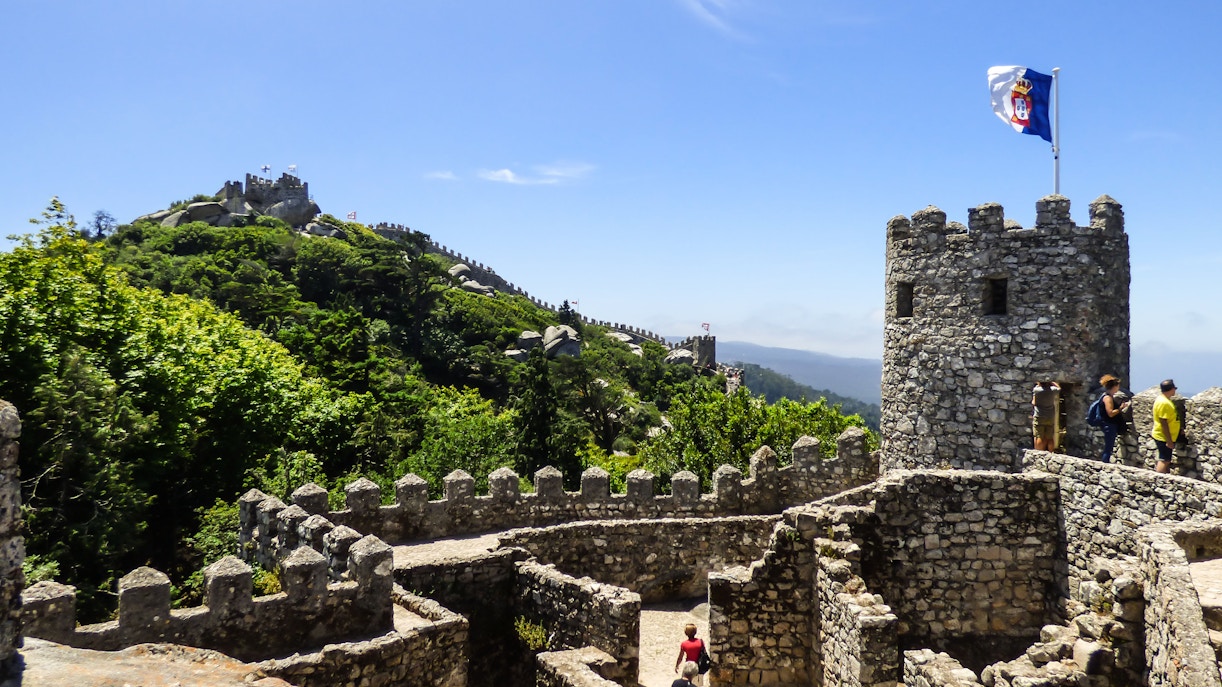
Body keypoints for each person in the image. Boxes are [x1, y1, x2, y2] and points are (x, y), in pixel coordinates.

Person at [1098, 374, 1131, 463]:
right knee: (1108, 448)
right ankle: (1105, 464)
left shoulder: (1106, 396)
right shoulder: (1108, 398)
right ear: (1115, 386)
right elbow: (1110, 413)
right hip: (1109, 425)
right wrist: (1120, 409)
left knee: (1109, 447)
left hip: (1108, 424)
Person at [1152, 379, 1181, 474]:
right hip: (1163, 436)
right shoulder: (1164, 403)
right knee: (1165, 460)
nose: (1175, 391)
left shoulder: (1163, 400)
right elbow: (1163, 422)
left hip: (1164, 435)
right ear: (1171, 389)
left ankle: (1164, 477)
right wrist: (1169, 441)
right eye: (1174, 389)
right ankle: (1158, 479)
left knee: (1165, 458)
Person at [1031, 380, 1061, 451]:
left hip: (1039, 416)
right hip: (1050, 416)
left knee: (1039, 436)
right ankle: (1051, 452)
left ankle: (1038, 452)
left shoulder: (1036, 390)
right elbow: (1059, 388)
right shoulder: (1053, 390)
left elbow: (1034, 402)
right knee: (1049, 437)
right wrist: (1052, 383)